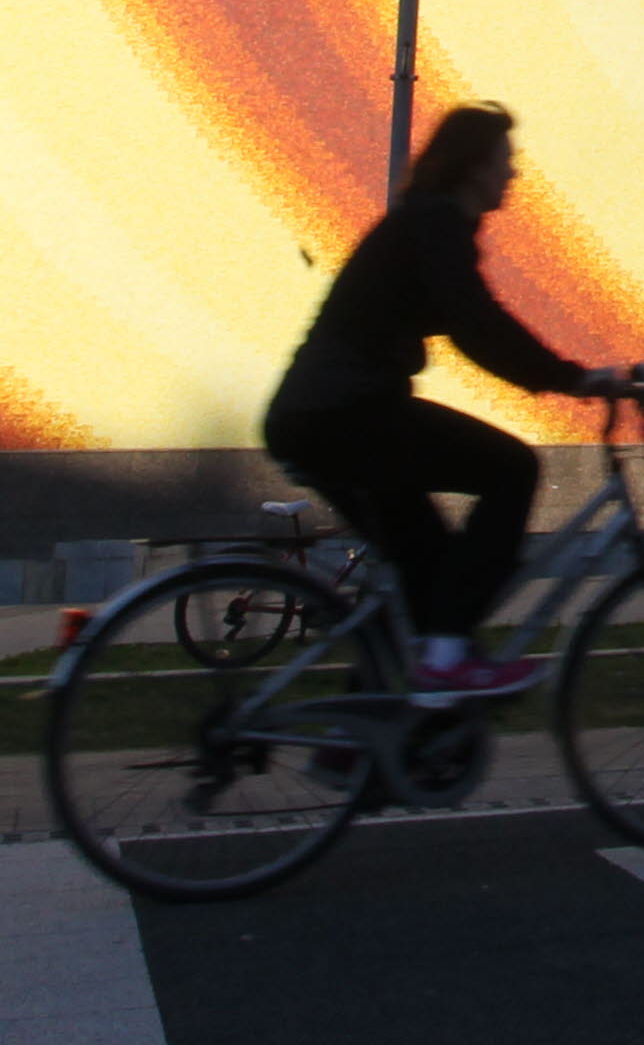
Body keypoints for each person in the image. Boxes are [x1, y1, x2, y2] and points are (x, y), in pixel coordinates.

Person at [264, 104, 620, 703]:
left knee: (426, 570)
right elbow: (478, 327)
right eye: (506, 162)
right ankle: (448, 662)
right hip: (343, 416)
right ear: (475, 167)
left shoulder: (428, 225)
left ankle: (363, 736)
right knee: (512, 470)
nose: (514, 175)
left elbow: (474, 323)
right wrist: (575, 380)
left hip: (321, 418)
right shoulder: (434, 226)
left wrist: (564, 377)